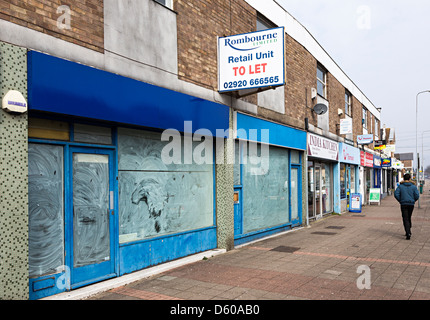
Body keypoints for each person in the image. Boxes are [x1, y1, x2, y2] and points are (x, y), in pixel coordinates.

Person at [394, 173, 420, 240]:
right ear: (409, 179)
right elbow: (417, 195)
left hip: (403, 204)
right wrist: (413, 200)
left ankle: (408, 232)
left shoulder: (400, 186)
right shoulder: (414, 186)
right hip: (411, 204)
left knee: (405, 218)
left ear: (403, 179)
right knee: (409, 216)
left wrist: (400, 200)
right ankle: (408, 229)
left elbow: (396, 194)